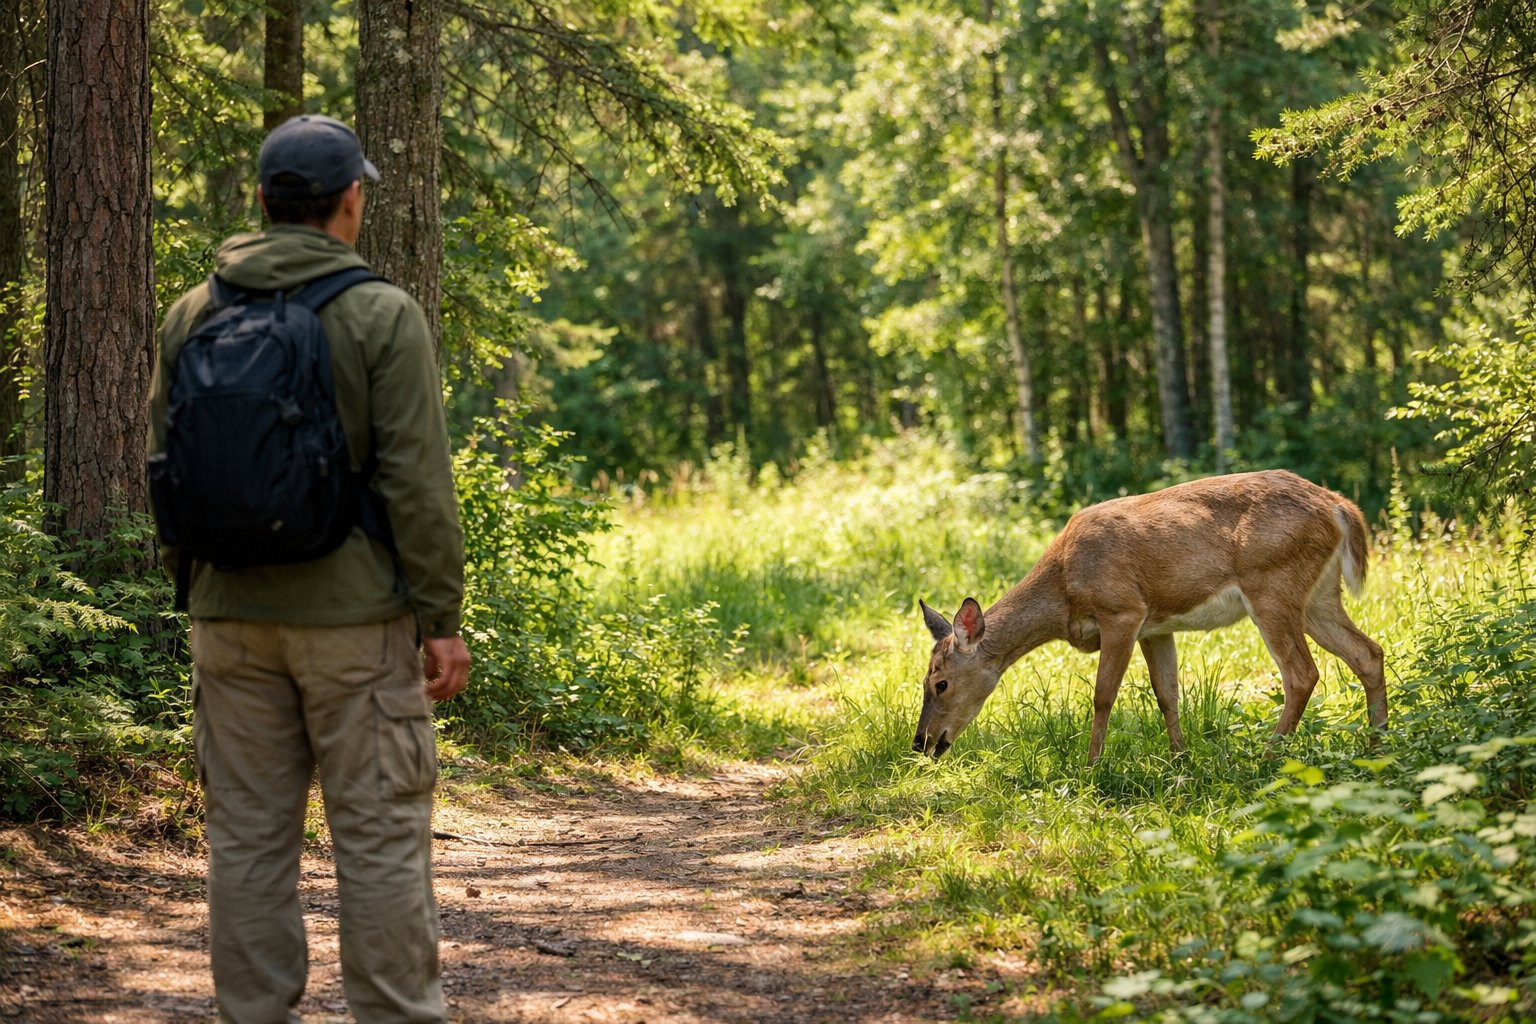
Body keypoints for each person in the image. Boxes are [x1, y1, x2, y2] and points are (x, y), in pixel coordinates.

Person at [148, 114, 470, 1024]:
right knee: (377, 842)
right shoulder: (378, 313)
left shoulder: (192, 313)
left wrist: (201, 589)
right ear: (351, 201)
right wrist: (439, 618)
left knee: (246, 842)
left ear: (261, 198)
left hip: (227, 619)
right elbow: (417, 483)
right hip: (357, 628)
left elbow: (162, 470)